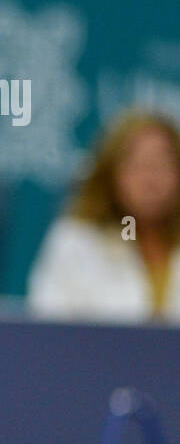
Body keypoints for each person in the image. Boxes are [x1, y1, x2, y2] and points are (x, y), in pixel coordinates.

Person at [28, 110, 180, 322]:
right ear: (111, 172)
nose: (151, 180)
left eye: (162, 164)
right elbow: (48, 331)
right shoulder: (75, 241)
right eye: (139, 165)